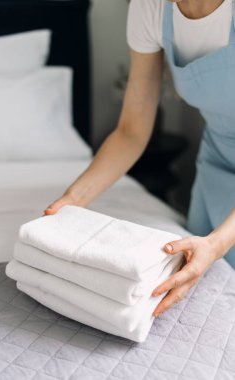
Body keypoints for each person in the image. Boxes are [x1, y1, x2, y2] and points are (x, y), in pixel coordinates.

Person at [44, 0, 235, 317]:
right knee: (201, 300)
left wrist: (217, 243)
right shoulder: (152, 7)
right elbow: (132, 130)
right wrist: (71, 200)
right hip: (215, 158)